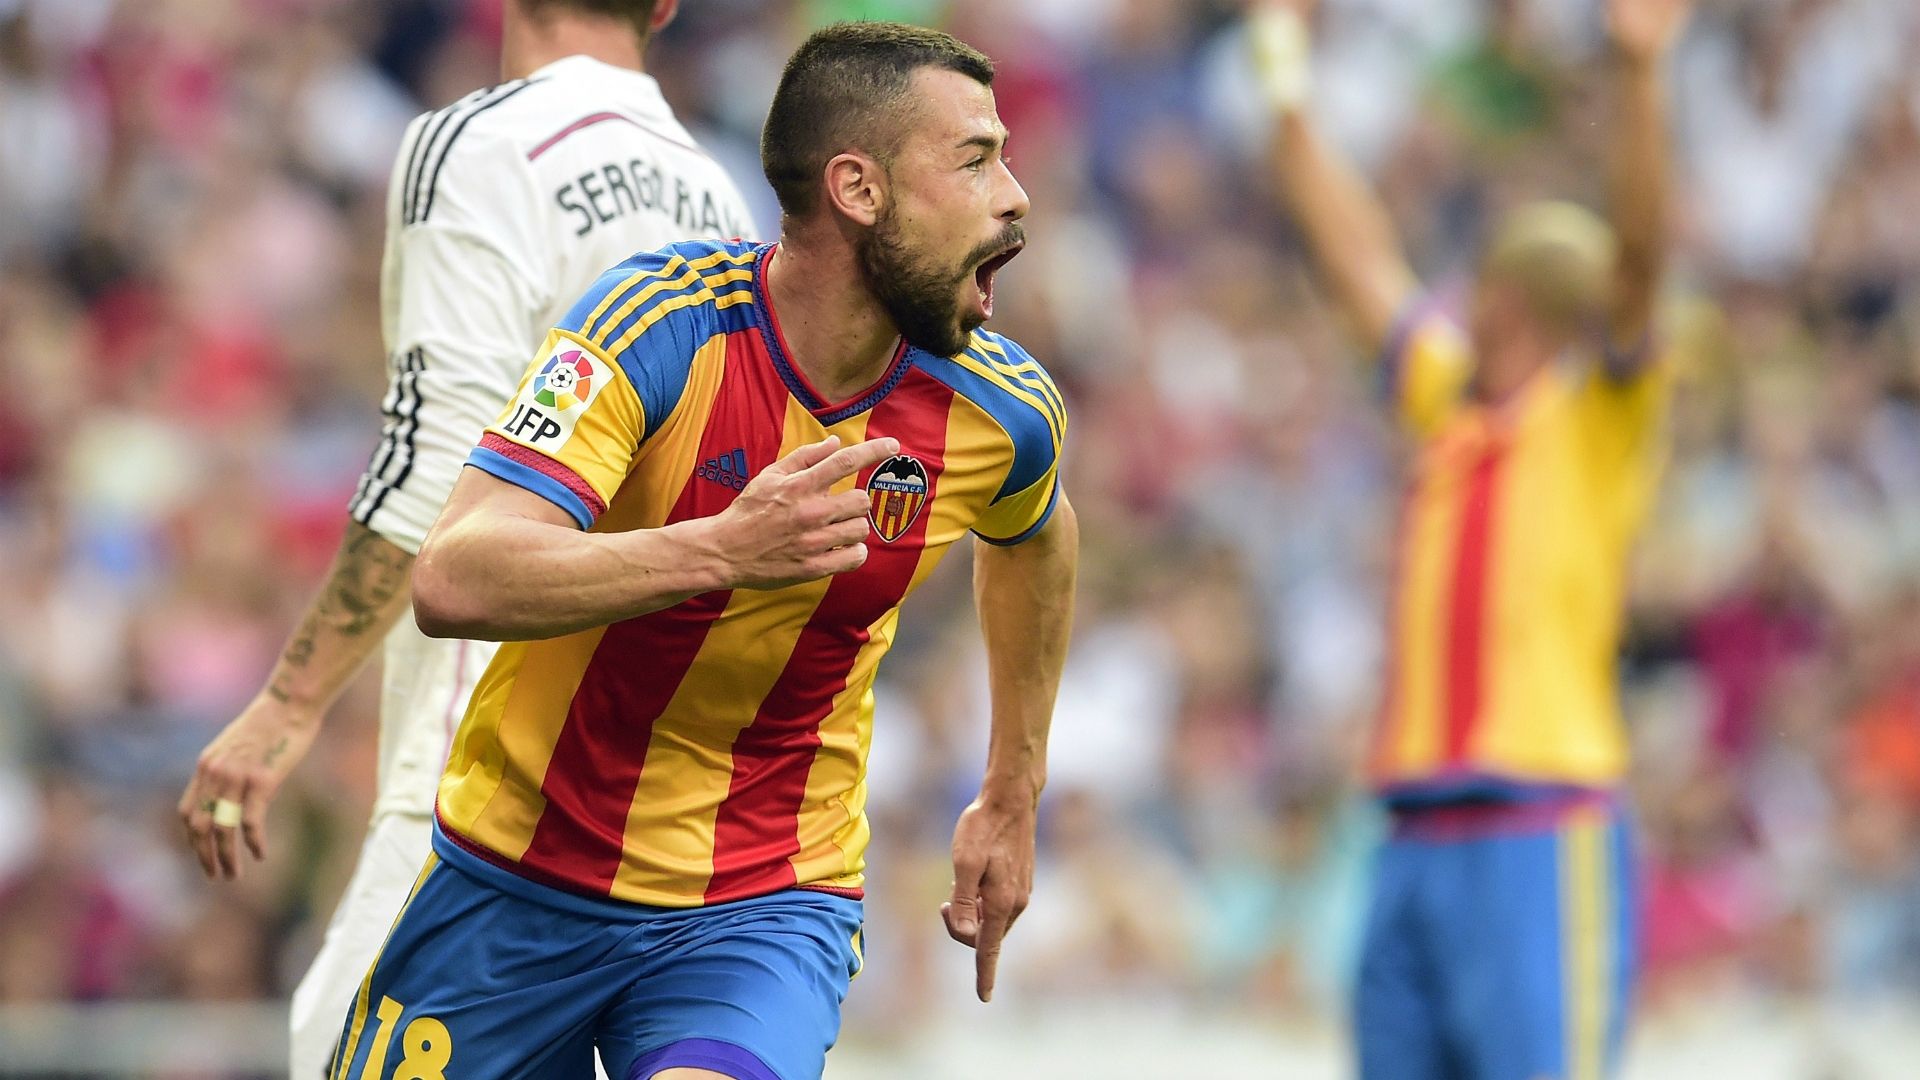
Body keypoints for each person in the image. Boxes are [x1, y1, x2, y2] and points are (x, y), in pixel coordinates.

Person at [329, 21, 1075, 1080]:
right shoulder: (655, 325)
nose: (1015, 194)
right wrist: (723, 549)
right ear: (857, 190)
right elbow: (455, 574)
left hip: (763, 899)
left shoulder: (999, 412)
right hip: (514, 872)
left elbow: (1037, 542)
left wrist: (1012, 791)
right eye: (974, 158)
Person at [173, 1, 754, 1075]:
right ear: (666, 4)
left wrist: (289, 704)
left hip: (491, 747)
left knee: (343, 1042)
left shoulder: (481, 141)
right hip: (651, 774)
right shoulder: (719, 197)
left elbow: (440, 468)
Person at [1250, 0, 1689, 1076]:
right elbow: (1354, 252)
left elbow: (1639, 264)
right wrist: (1284, 76)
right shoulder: (1450, 406)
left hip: (1538, 822)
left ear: (1503, 299)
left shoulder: (1594, 418)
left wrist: (1638, 78)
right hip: (1412, 830)